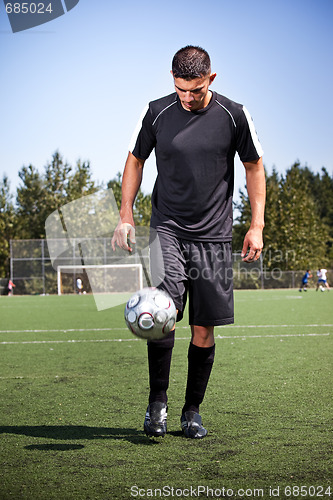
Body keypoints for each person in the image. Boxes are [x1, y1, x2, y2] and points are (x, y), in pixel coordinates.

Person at [112, 46, 265, 439]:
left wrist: (256, 225)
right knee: (162, 316)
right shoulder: (156, 112)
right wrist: (125, 214)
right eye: (181, 89)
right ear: (172, 79)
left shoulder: (234, 114)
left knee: (203, 329)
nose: (187, 97)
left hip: (214, 236)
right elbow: (135, 160)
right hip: (167, 228)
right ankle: (157, 404)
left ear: (210, 80)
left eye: (195, 90)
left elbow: (254, 166)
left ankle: (191, 411)